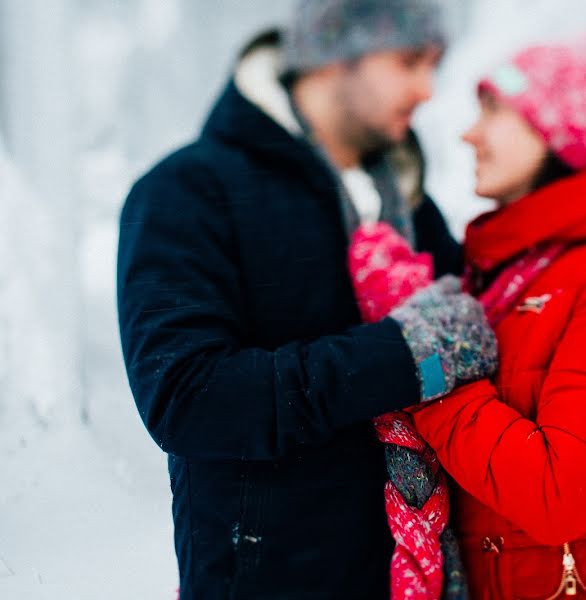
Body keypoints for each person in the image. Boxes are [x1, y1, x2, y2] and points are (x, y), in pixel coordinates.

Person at [116, 1, 499, 598]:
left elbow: (480, 330)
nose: (427, 90)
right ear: (334, 55)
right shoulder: (187, 192)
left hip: (422, 575)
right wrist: (403, 356)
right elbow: (185, 397)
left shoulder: (405, 199)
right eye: (408, 62)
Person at [405, 27, 586, 598]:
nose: (469, 133)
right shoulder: (501, 270)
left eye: (494, 112)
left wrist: (429, 375)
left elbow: (562, 498)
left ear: (558, 133)